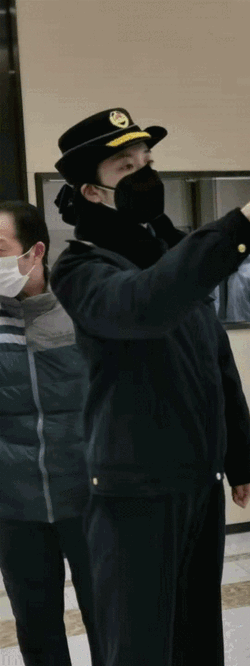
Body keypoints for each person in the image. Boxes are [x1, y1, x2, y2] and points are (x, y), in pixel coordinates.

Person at [49, 107, 250, 666]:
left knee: (196, 634)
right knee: (139, 642)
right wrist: (239, 227)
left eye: (147, 162)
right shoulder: (82, 269)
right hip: (134, 489)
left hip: (198, 479)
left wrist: (239, 457)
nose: (144, 176)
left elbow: (215, 361)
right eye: (126, 167)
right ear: (91, 192)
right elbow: (144, 306)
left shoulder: (169, 254)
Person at [0, 201, 103, 665]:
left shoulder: (83, 308)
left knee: (109, 618)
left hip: (88, 496)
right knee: (36, 627)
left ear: (35, 251)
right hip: (14, 506)